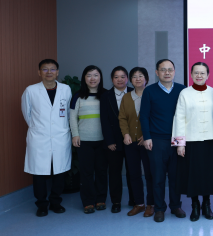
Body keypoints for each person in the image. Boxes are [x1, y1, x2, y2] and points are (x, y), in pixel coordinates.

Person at [22, 59, 72, 217]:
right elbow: (27, 114)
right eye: (45, 69)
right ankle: (42, 204)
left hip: (60, 136)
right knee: (39, 173)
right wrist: (40, 128)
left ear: (57, 72)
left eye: (52, 69)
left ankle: (56, 202)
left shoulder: (65, 89)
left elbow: (68, 113)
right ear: (39, 72)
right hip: (39, 137)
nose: (49, 72)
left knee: (59, 171)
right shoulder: (31, 90)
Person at [172, 62, 213, 222]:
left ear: (208, 75)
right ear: (191, 74)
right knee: (192, 174)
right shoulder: (184, 93)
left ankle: (207, 204)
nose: (199, 76)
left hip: (210, 139)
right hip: (191, 140)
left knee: (208, 174)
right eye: (196, 73)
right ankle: (195, 205)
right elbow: (179, 118)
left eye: (202, 73)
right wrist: (179, 144)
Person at [140, 59, 186, 223]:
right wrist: (147, 137)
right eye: (163, 70)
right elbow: (144, 116)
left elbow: (185, 116)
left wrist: (183, 141)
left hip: (177, 139)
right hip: (157, 139)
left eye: (170, 69)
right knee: (158, 177)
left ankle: (175, 206)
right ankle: (159, 208)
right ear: (157, 72)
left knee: (175, 176)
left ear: (174, 71)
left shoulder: (182, 90)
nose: (167, 73)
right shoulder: (149, 91)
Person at [70, 65, 107, 214]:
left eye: (96, 75)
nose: (92, 78)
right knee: (86, 173)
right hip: (84, 140)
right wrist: (75, 134)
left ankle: (101, 199)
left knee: (101, 172)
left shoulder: (106, 95)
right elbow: (72, 117)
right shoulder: (78, 96)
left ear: (100, 78)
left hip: (103, 141)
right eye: (89, 75)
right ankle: (88, 201)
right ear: (84, 78)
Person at [119, 67, 154, 218]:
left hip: (148, 142)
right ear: (130, 80)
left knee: (150, 174)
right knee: (134, 174)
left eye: (141, 76)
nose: (138, 79)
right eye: (134, 76)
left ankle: (151, 204)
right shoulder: (126, 97)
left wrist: (147, 135)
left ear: (146, 78)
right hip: (131, 142)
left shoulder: (152, 94)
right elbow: (122, 118)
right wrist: (126, 134)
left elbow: (156, 117)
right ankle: (139, 204)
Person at [100, 66, 135, 213]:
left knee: (132, 171)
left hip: (132, 139)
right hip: (114, 141)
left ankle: (134, 200)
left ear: (127, 78)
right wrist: (109, 141)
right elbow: (104, 120)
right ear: (112, 79)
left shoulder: (135, 92)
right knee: (114, 172)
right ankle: (116, 201)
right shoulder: (106, 96)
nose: (119, 80)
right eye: (116, 77)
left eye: (122, 76)